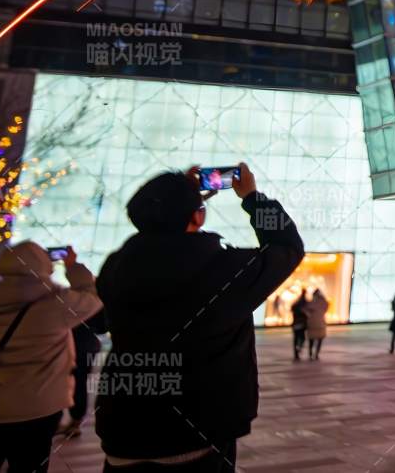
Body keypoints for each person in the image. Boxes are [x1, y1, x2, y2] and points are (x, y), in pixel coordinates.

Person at [96, 164, 304, 472]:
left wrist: (184, 201)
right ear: (197, 215)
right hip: (197, 433)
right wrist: (252, 198)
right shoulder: (226, 269)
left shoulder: (115, 267)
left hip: (123, 428)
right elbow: (286, 246)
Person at [0, 243, 103, 473]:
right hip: (38, 408)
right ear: (44, 266)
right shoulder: (59, 303)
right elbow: (92, 298)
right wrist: (73, 266)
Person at [56, 306, 108, 439]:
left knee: (56, 381)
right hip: (87, 344)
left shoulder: (58, 293)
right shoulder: (92, 297)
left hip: (60, 344)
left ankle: (57, 420)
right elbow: (103, 327)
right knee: (80, 382)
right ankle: (76, 421)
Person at [302, 287, 329, 360]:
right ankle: (316, 354)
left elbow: (304, 310)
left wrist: (308, 314)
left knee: (312, 340)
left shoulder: (311, 303)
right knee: (319, 340)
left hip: (312, 323)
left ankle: (311, 354)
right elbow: (326, 307)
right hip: (321, 323)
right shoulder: (324, 302)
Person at [290, 290, 309, 362]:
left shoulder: (297, 303)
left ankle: (296, 353)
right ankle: (298, 349)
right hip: (301, 323)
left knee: (296, 338)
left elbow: (292, 309)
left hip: (296, 323)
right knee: (302, 338)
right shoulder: (304, 303)